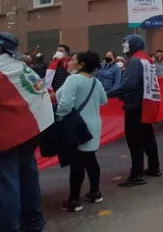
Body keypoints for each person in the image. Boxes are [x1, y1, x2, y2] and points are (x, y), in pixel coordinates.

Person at [0, 32, 54, 232]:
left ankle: (8, 226)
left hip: (7, 136)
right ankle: (33, 223)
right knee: (28, 178)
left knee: (7, 184)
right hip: (30, 132)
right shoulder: (21, 67)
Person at [55, 51, 108, 212]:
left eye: (72, 60)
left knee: (77, 163)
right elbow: (104, 101)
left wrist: (57, 117)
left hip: (77, 126)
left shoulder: (73, 79)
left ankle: (74, 200)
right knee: (90, 158)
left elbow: (64, 105)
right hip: (94, 124)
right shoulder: (95, 81)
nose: (69, 61)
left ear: (81, 64)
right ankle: (95, 191)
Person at [108, 35, 161, 187]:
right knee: (148, 137)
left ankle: (136, 174)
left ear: (133, 45)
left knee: (135, 140)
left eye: (126, 45)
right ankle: (154, 166)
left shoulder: (135, 61)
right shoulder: (146, 59)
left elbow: (129, 84)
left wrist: (110, 93)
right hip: (146, 103)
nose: (124, 48)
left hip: (135, 106)